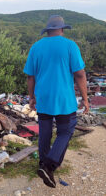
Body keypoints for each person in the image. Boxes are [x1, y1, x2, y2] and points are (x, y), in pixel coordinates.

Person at [23, 15, 89, 188]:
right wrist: (85, 99)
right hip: (64, 99)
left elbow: (30, 76)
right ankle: (49, 165)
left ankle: (42, 164)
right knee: (65, 132)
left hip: (43, 97)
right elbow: (80, 74)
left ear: (47, 30)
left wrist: (31, 97)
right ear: (62, 29)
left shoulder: (36, 47)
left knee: (45, 132)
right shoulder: (70, 45)